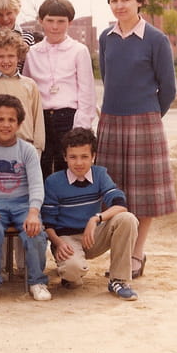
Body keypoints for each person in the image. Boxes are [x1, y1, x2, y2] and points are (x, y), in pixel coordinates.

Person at [96, 0, 177, 279]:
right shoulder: (106, 38)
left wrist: (149, 117)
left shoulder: (156, 39)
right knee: (114, 191)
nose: (119, 5)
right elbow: (108, 79)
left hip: (145, 122)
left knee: (143, 196)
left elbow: (168, 89)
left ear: (139, 1)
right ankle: (119, 253)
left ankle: (136, 254)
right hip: (111, 120)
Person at [42, 128, 139, 300]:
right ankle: (70, 275)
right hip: (66, 239)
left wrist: (95, 219)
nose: (79, 162)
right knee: (73, 272)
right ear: (65, 157)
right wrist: (58, 243)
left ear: (93, 156)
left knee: (127, 219)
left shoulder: (100, 174)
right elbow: (48, 224)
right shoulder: (53, 182)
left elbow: (120, 205)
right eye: (73, 157)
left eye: (84, 156)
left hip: (93, 236)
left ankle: (118, 280)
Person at [0, 94, 50, 303]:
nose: (6, 125)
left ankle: (37, 281)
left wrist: (33, 212)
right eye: (0, 119)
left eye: (11, 120)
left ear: (19, 123)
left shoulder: (27, 150)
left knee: (35, 231)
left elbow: (36, 185)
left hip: (23, 204)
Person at [23, 0, 96, 178]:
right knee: (42, 166)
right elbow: (27, 90)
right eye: (50, 21)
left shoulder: (79, 51)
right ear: (41, 21)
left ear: (70, 22)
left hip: (69, 117)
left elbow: (87, 93)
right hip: (41, 119)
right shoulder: (32, 53)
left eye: (61, 21)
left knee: (68, 168)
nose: (55, 27)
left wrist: (81, 128)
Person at [0, 29, 45, 157]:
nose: (6, 61)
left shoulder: (30, 85)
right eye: (0, 56)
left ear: (19, 57)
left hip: (27, 150)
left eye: (11, 56)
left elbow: (38, 120)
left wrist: (38, 149)